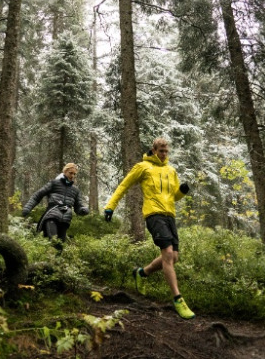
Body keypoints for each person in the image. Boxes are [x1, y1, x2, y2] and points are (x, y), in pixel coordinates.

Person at [104, 137, 195, 320]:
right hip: (153, 215)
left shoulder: (171, 170)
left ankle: (141, 272)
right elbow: (124, 185)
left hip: (170, 215)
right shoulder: (143, 167)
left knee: (173, 257)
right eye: (161, 150)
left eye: (166, 151)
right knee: (168, 253)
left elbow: (173, 196)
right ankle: (178, 299)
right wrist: (110, 206)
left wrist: (182, 192)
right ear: (153, 150)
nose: (163, 154)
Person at [22, 163, 89, 248]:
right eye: (70, 173)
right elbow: (37, 196)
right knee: (53, 241)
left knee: (60, 246)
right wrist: (27, 208)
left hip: (65, 220)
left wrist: (83, 210)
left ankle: (52, 260)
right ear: (65, 172)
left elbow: (78, 207)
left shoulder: (75, 191)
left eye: (74, 174)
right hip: (51, 216)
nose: (72, 176)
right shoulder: (54, 184)